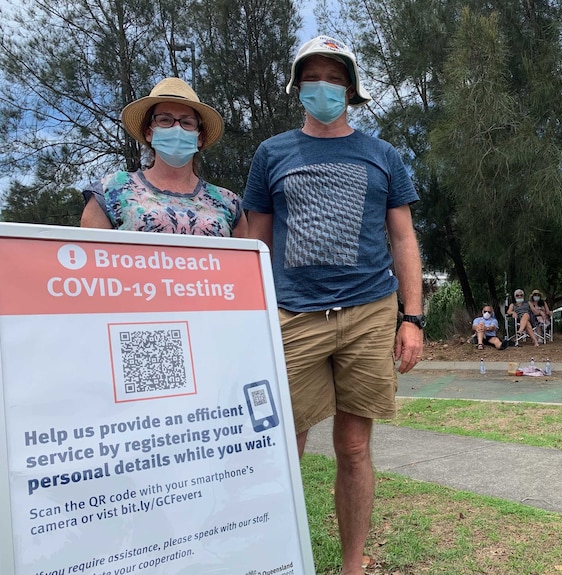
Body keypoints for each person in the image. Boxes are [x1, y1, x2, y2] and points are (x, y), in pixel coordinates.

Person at [241, 35, 424, 575]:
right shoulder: (273, 153)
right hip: (292, 314)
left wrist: (411, 319)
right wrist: (253, 318)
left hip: (369, 311)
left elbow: (404, 240)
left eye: (335, 78)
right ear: (299, 89)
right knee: (282, 448)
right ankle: (273, 558)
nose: (324, 87)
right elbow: (257, 240)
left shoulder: (382, 154)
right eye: (313, 78)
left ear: (351, 89)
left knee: (353, 447)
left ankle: (352, 564)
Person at [80, 77, 247, 237]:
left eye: (186, 122)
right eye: (165, 120)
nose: (176, 128)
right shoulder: (110, 192)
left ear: (200, 138)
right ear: (148, 132)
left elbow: (246, 263)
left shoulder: (229, 203)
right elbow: (89, 259)